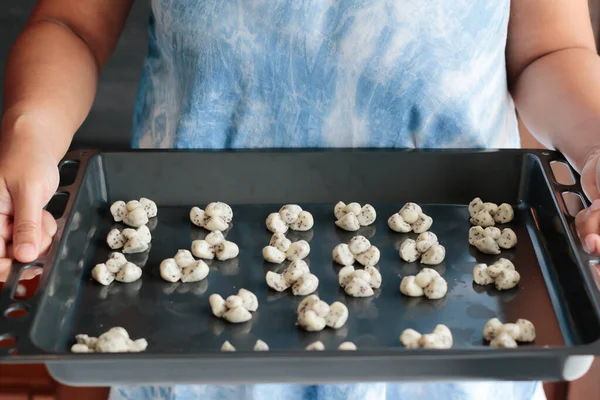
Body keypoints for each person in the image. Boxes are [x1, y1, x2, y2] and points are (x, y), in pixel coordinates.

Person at [2, 0, 600, 399]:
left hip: (460, 323)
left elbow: (548, 49)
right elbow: (73, 23)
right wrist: (29, 135)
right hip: (186, 315)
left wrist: (596, 149)